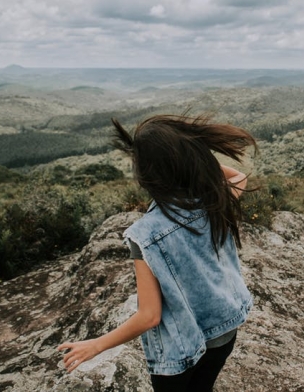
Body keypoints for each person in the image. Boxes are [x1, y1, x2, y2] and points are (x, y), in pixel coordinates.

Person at [58, 114, 257, 392]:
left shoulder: (145, 235)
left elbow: (149, 315)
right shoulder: (214, 202)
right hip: (224, 333)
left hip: (182, 349)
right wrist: (197, 164)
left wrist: (96, 345)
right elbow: (238, 176)